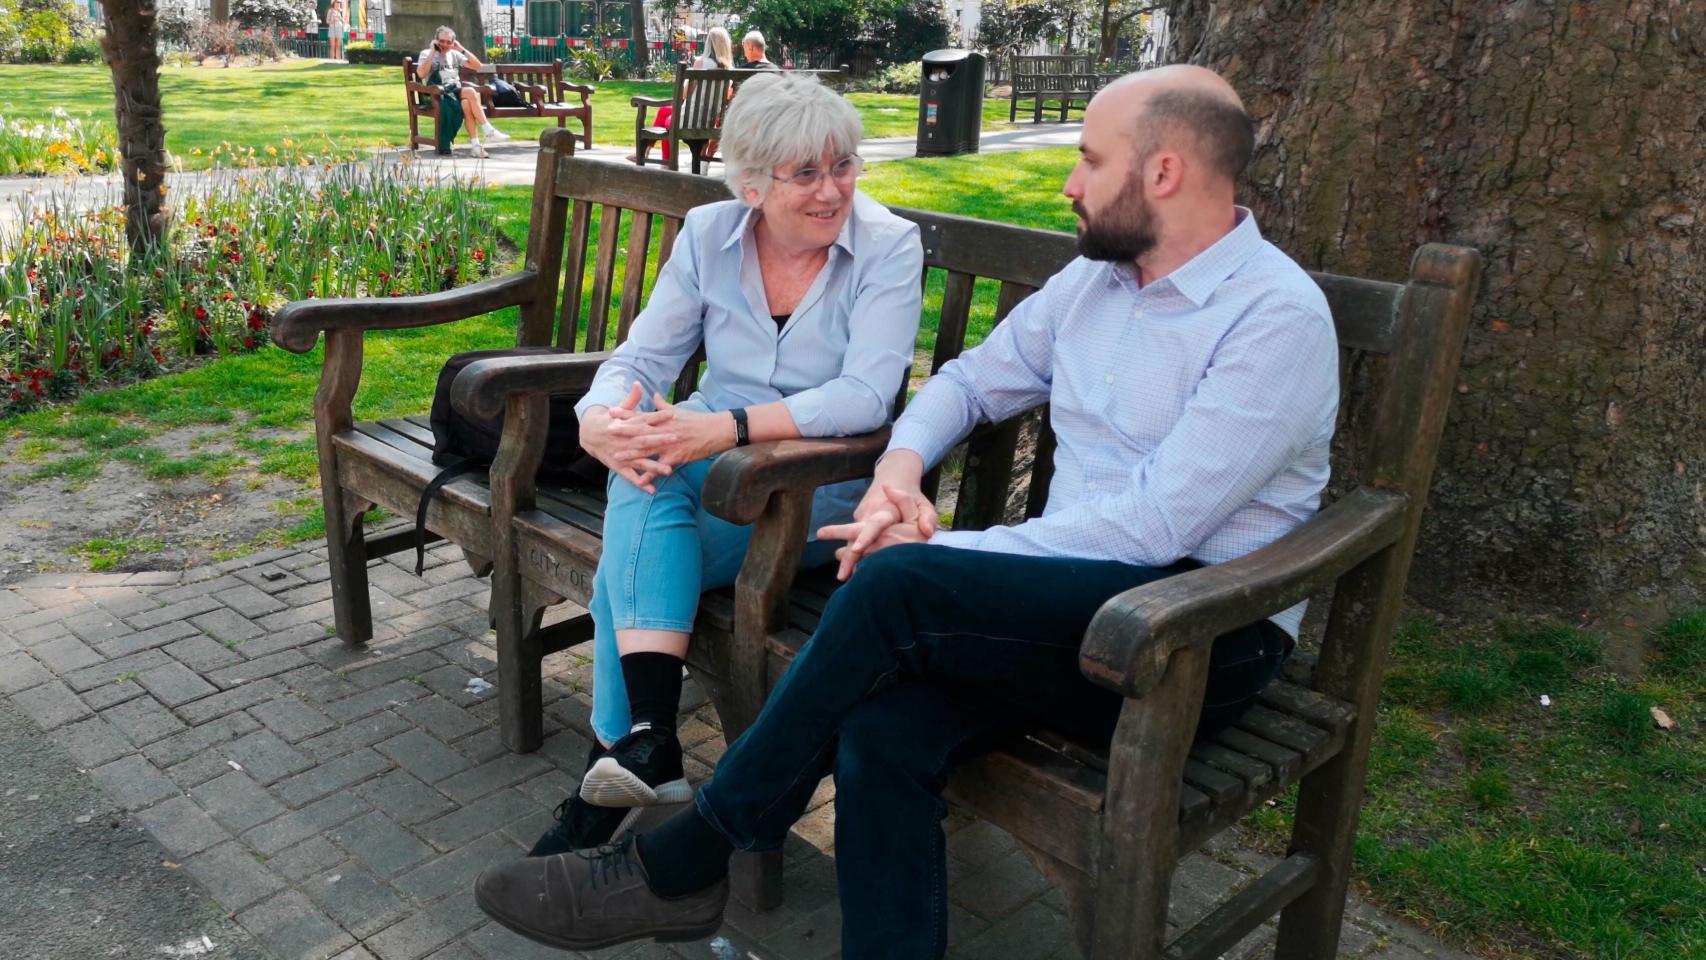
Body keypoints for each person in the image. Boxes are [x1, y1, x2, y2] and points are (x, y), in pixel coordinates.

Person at [474, 64, 1341, 957]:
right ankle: (706, 861)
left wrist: (952, 542)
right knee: (881, 734)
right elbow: (967, 383)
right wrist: (899, 471)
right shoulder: (1098, 285)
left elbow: (1157, 529)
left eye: (1089, 159)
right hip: (1062, 616)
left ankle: (686, 861)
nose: (1069, 183)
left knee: (899, 583)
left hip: (1195, 636)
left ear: (1163, 172)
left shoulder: (1274, 318)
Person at [520, 71, 925, 860]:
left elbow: (869, 395)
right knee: (643, 471)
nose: (831, 189)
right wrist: (599, 417)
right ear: (750, 184)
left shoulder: (888, 246)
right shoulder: (710, 235)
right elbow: (645, 354)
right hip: (703, 469)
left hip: (814, 488)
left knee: (625, 567)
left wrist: (727, 427)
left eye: (843, 164)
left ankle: (622, 757)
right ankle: (646, 742)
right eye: (804, 172)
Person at [415, 26, 511, 158]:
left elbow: (478, 66)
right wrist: (433, 51)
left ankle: (477, 145)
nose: (445, 45)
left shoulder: (454, 54)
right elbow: (421, 73)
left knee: (467, 101)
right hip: (437, 93)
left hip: (455, 90)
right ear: (436, 40)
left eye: (449, 42)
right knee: (469, 96)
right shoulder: (426, 53)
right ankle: (487, 131)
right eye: (442, 41)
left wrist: (461, 49)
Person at [644, 26, 734, 165]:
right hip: (708, 122)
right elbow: (726, 98)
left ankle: (666, 163)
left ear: (708, 44)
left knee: (667, 120)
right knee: (664, 111)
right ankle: (649, 151)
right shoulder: (728, 71)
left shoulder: (701, 63)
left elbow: (683, 95)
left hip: (688, 121)